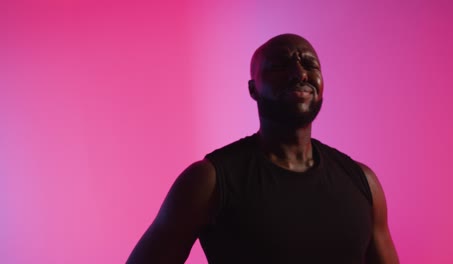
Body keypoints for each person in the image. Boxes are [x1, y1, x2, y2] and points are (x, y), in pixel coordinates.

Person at [127, 33, 399, 264]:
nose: (299, 73)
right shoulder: (209, 180)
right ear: (252, 88)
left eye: (309, 64)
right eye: (280, 65)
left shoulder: (363, 182)